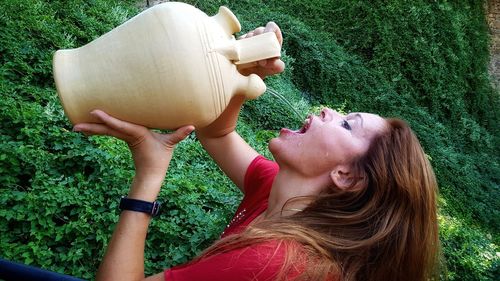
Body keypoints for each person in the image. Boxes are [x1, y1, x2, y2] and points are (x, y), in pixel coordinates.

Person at [73, 22, 441, 281]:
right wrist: (240, 76)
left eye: (347, 124)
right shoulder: (282, 194)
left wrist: (148, 175)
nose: (330, 111)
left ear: (346, 176)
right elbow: (218, 134)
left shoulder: (273, 265)